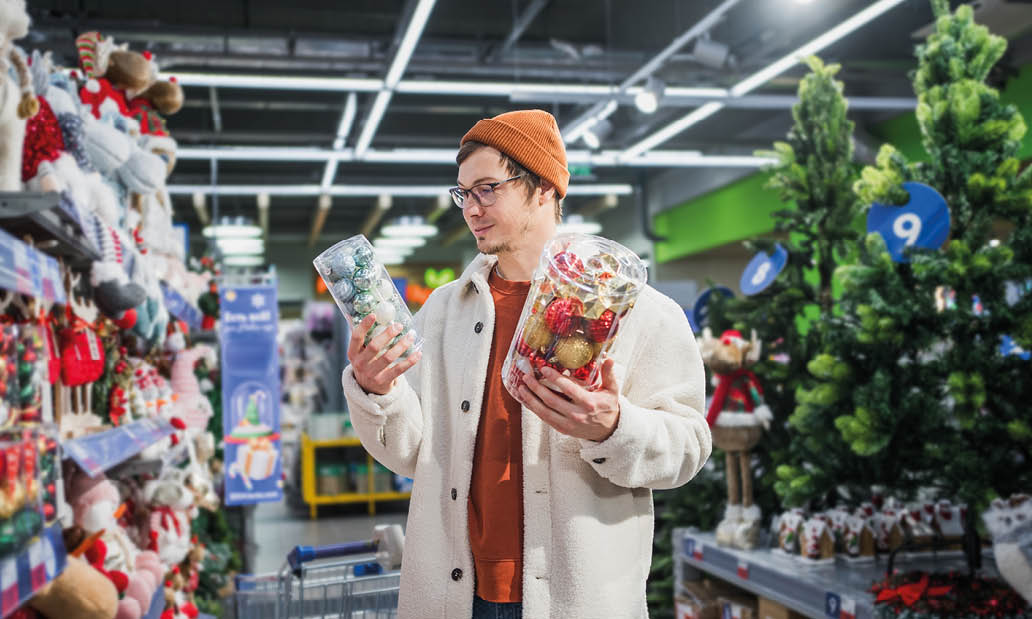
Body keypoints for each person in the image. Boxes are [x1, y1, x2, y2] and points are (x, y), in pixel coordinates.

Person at [341, 109, 711, 619]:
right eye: (463, 193)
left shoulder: (635, 310)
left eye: (487, 188)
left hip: (578, 601)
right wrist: (377, 391)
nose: (471, 208)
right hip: (456, 595)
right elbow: (411, 452)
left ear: (543, 189)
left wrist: (613, 427)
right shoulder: (444, 313)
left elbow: (690, 445)